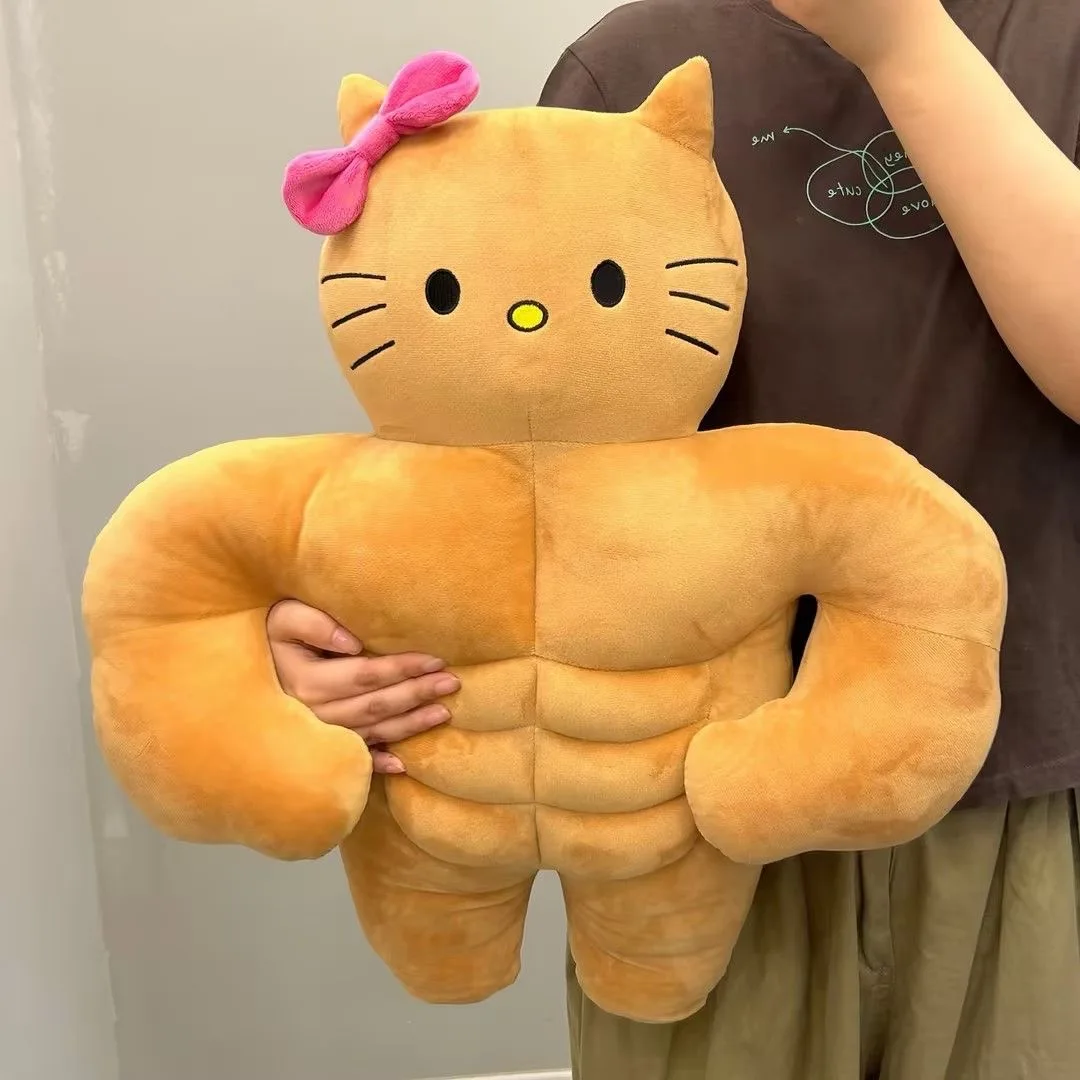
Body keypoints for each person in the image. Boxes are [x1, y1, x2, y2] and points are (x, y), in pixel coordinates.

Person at [268, 1, 1080, 1076]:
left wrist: (903, 42)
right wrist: (330, 619)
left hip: (1033, 786)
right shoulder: (635, 65)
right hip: (684, 803)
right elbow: (517, 446)